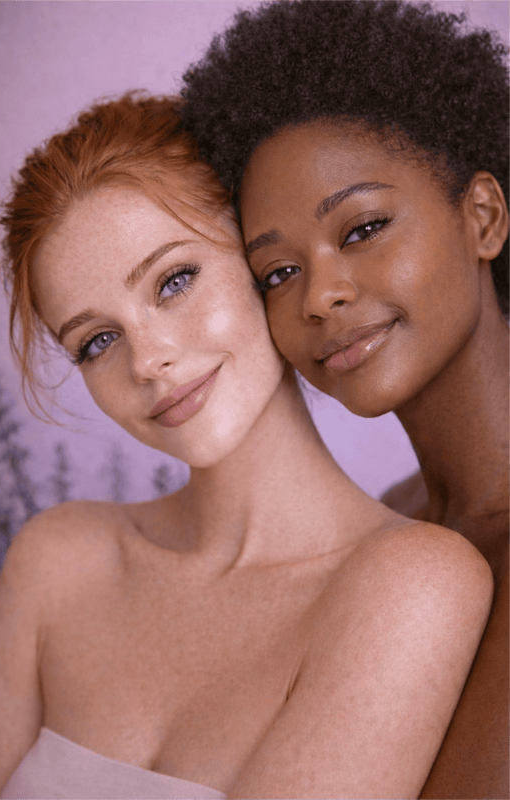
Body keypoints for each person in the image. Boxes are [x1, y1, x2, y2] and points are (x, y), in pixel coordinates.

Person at [0, 93, 493, 800]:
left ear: (258, 260)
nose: (147, 361)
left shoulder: (412, 585)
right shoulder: (54, 561)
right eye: (96, 341)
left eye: (174, 281)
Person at [180, 0, 510, 797]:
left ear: (482, 217)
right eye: (278, 274)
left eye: (360, 229)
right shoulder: (395, 526)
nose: (318, 297)